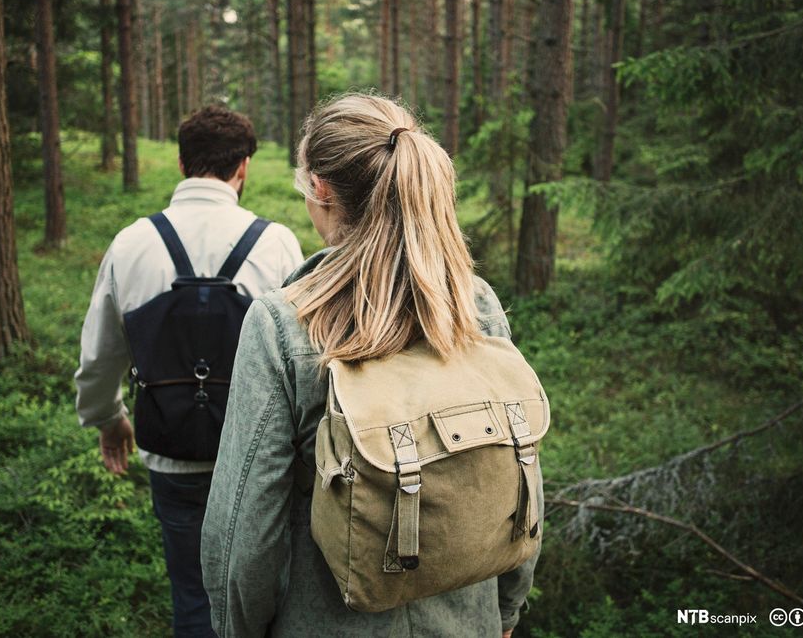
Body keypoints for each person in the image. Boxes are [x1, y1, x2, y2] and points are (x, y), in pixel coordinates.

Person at [201, 93, 541, 637]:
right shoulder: (474, 305)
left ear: (320, 190)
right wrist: (505, 611)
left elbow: (245, 526)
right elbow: (518, 469)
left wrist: (235, 628)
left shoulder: (284, 324)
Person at [74, 105, 304, 638]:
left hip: (172, 455)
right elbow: (301, 357)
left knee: (194, 596)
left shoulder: (131, 243)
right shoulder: (275, 244)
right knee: (267, 594)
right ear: (243, 166)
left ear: (180, 162)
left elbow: (102, 351)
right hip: (258, 459)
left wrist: (108, 418)